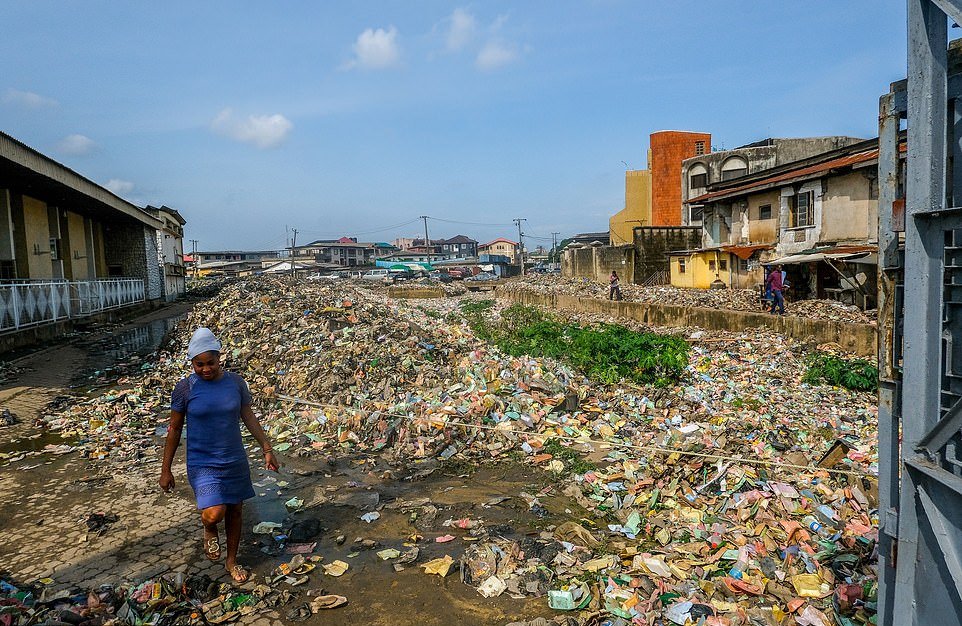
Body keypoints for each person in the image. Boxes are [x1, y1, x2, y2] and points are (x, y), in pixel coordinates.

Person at [160, 327, 279, 583]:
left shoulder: (236, 383)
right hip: (202, 462)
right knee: (215, 512)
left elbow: (248, 416)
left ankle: (232, 560)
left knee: (235, 509)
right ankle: (209, 528)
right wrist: (166, 468)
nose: (205, 369)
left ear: (219, 358)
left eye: (210, 363)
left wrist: (266, 448)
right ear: (192, 363)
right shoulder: (185, 388)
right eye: (199, 364)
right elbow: (174, 428)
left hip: (234, 458)